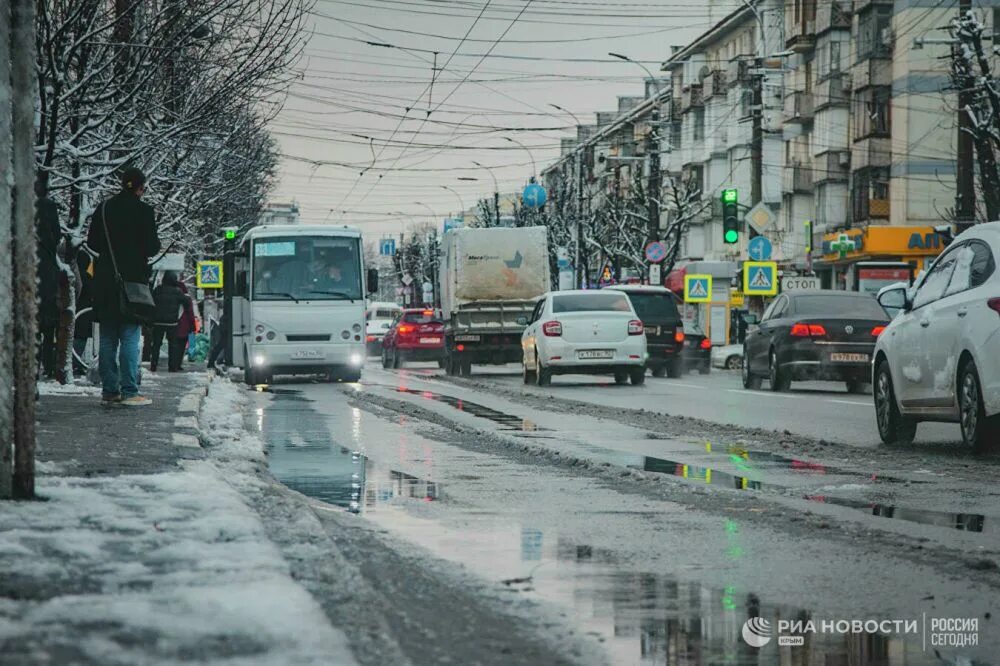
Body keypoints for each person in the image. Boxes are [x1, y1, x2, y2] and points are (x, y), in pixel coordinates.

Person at [86, 167, 160, 406]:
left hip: (106, 281)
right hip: (133, 282)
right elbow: (152, 248)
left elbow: (92, 242)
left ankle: (109, 390)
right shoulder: (144, 211)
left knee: (108, 338)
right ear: (140, 187)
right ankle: (129, 391)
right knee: (129, 337)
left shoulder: (105, 208)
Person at [36, 178, 61, 378]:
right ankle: (49, 368)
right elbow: (57, 235)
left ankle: (30, 369)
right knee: (48, 328)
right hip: (46, 278)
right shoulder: (49, 207)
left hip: (24, 274)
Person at [149, 272, 187, 372]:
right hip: (172, 323)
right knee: (173, 345)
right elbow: (186, 302)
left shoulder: (158, 290)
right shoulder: (178, 291)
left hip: (157, 322)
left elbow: (151, 302)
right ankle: (172, 367)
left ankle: (153, 365)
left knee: (156, 344)